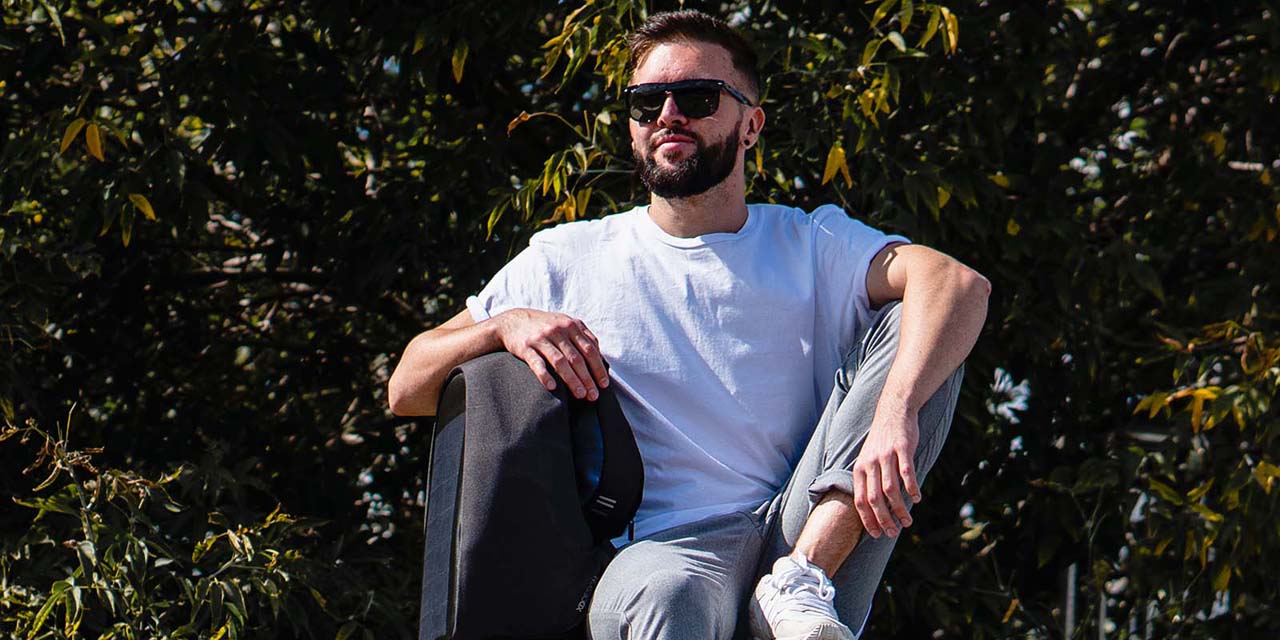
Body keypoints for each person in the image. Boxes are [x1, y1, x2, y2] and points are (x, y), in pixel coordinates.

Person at [389, 9, 989, 640]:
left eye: (698, 97)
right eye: (646, 102)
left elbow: (957, 284)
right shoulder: (567, 259)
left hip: (808, 529)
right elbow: (406, 388)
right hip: (663, 552)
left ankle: (800, 579)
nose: (669, 115)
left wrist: (895, 413)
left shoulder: (809, 243)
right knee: (669, 595)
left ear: (751, 124)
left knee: (926, 327)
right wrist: (501, 326)